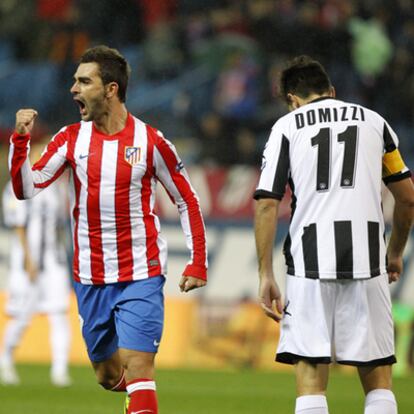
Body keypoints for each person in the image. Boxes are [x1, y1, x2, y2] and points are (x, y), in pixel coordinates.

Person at [8, 45, 208, 414]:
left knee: (139, 365)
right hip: (91, 277)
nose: (74, 89)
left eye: (84, 81)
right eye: (74, 81)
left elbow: (187, 200)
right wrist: (20, 142)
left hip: (141, 272)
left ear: (111, 89)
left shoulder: (151, 141)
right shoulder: (70, 139)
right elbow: (27, 187)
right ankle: (135, 393)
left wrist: (198, 262)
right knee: (106, 374)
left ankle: (140, 391)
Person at [254, 55, 414, 414]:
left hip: (310, 263)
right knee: (377, 375)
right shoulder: (375, 123)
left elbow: (267, 203)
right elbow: (407, 200)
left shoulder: (287, 126)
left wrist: (265, 273)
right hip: (368, 261)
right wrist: (394, 252)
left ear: (292, 99)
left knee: (311, 375)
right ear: (332, 91)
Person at [0, 145, 72, 387]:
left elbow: (60, 225)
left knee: (59, 314)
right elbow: (18, 224)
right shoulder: (16, 185)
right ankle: (5, 360)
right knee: (21, 316)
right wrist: (29, 259)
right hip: (26, 261)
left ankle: (59, 371)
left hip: (53, 259)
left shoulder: (57, 187)